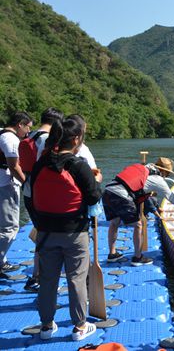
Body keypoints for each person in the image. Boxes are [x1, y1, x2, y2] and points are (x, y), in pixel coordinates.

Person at [30, 116, 102, 341]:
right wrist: (96, 179)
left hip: (46, 232)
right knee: (76, 279)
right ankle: (80, 327)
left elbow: (32, 195)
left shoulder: (41, 163)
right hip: (75, 233)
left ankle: (46, 326)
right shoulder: (78, 165)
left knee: (48, 279)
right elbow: (93, 197)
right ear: (77, 139)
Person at [103, 157, 174, 266]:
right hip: (121, 195)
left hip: (108, 191)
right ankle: (137, 257)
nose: (167, 176)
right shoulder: (158, 180)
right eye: (168, 174)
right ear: (164, 171)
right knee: (138, 225)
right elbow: (172, 198)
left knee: (115, 223)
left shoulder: (143, 168)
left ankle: (112, 254)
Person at [21, 107, 64, 291]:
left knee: (41, 232)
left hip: (28, 191)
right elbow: (50, 167)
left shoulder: (28, 137)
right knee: (47, 235)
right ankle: (38, 276)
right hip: (43, 194)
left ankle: (36, 275)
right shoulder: (47, 139)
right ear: (56, 122)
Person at [0, 111, 32, 279]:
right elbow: (13, 166)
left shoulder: (1, 132)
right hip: (6, 184)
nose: (28, 132)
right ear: (20, 124)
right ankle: (0, 263)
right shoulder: (11, 139)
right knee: (10, 226)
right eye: (27, 128)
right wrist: (27, 182)